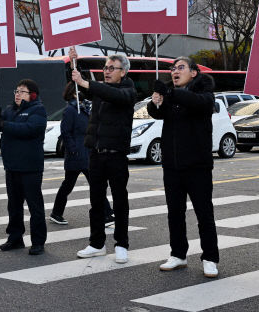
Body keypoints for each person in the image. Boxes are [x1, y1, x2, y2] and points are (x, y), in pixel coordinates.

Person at [148, 56, 220, 278]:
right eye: (173, 68)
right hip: (172, 165)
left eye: (180, 68)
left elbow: (199, 103)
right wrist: (156, 101)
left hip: (197, 165)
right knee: (175, 214)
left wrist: (170, 94)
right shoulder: (171, 93)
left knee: (204, 214)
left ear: (194, 73)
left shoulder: (204, 93)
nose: (174, 72)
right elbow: (156, 113)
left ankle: (209, 257)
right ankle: (178, 254)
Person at [70, 48, 135, 264]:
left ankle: (122, 244)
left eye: (111, 68)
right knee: (96, 201)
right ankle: (96, 243)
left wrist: (87, 83)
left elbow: (113, 94)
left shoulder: (127, 91)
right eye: (105, 68)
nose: (107, 72)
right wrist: (73, 61)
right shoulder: (100, 90)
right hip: (96, 153)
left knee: (119, 200)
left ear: (123, 72)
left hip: (116, 154)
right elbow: (80, 86)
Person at [0, 79, 47, 255]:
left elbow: (28, 129)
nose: (18, 94)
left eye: (22, 91)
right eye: (17, 91)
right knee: (13, 205)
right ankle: (15, 238)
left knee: (34, 206)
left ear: (33, 95)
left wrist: (4, 124)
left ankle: (38, 241)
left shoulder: (38, 110)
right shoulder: (10, 110)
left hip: (30, 167)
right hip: (12, 166)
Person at [48, 82, 113, 226]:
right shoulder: (71, 110)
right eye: (80, 90)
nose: (83, 92)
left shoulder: (86, 108)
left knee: (90, 183)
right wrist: (73, 150)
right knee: (70, 185)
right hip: (77, 154)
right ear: (74, 93)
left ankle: (107, 213)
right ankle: (107, 213)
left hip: (88, 152)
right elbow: (65, 132)